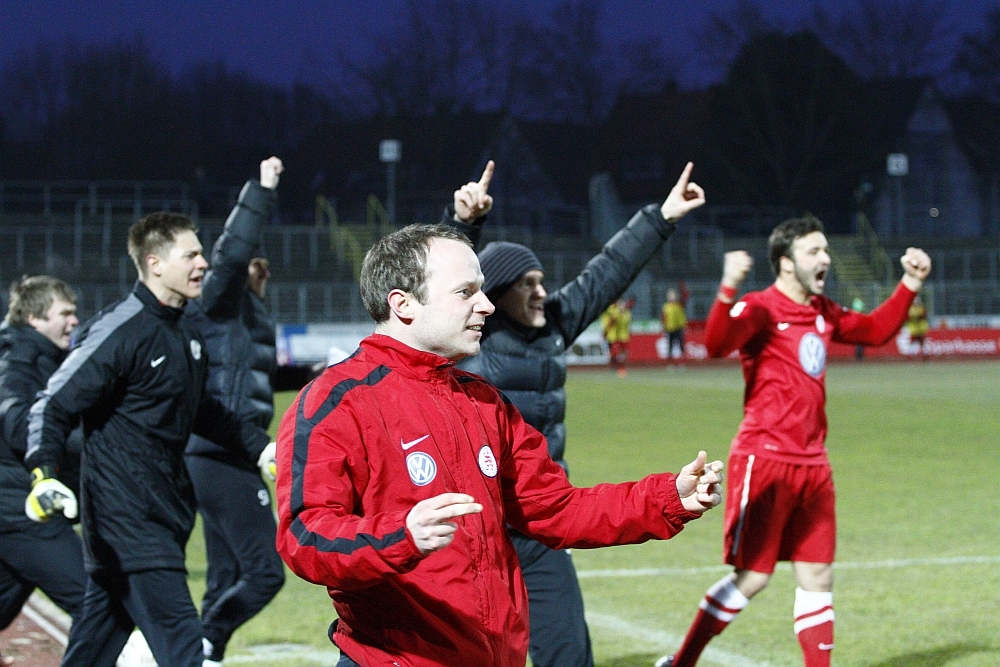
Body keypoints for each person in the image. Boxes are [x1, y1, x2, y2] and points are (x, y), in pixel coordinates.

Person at [274, 223, 725, 667]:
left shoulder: (484, 399)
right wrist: (401, 536)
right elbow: (305, 537)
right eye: (465, 292)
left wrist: (667, 498)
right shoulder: (337, 402)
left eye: (483, 290)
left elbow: (556, 508)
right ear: (403, 304)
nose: (487, 305)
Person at [447, 161, 707, 667]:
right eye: (527, 283)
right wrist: (464, 226)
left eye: (543, 280)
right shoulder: (467, 341)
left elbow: (606, 273)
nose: (542, 291)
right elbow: (439, 280)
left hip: (541, 519)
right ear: (496, 296)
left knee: (568, 653)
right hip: (474, 526)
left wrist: (664, 215)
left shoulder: (553, 327)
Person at [656, 217, 931, 667]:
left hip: (814, 465)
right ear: (786, 263)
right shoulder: (760, 308)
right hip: (763, 461)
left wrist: (909, 283)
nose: (825, 259)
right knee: (753, 577)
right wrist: (727, 288)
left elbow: (875, 331)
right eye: (813, 251)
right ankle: (682, 662)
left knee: (818, 575)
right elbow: (715, 344)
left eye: (825, 250)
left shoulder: (823, 312)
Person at [24, 212, 275, 667]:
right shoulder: (121, 329)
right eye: (192, 254)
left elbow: (203, 411)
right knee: (183, 648)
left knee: (92, 651)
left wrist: (261, 447)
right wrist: (43, 472)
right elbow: (53, 404)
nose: (203, 264)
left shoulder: (185, 330)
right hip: (129, 520)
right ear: (155, 262)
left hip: (161, 515)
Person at [184, 157, 285, 665]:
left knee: (225, 575)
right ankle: (198, 641)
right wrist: (262, 192)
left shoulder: (249, 314)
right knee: (267, 571)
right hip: (220, 451)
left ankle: (205, 655)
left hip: (224, 454)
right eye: (256, 266)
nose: (263, 274)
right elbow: (229, 255)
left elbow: (263, 374)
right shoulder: (220, 301)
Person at [0, 277, 85, 667]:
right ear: (34, 317)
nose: (74, 321)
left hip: (17, 505)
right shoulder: (17, 359)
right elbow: (19, 424)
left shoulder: (42, 357)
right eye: (65, 313)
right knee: (97, 601)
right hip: (21, 511)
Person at [602, 298, 632, 376]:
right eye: (620, 305)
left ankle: (622, 367)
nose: (622, 307)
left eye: (623, 305)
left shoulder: (627, 314)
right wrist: (605, 333)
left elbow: (627, 325)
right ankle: (615, 367)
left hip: (624, 336)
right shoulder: (615, 313)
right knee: (615, 352)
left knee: (624, 353)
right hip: (615, 335)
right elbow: (611, 323)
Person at [662, 288, 688, 360]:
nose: (673, 298)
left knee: (681, 343)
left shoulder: (679, 305)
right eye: (671, 296)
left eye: (674, 296)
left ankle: (683, 359)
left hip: (679, 327)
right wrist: (664, 326)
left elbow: (685, 295)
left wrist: (682, 287)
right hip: (670, 328)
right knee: (670, 345)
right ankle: (670, 360)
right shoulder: (666, 306)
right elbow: (664, 317)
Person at [906, 294, 929, 358]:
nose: (916, 301)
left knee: (922, 342)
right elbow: (908, 318)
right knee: (913, 342)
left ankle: (926, 356)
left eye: (917, 300)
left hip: (921, 328)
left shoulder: (921, 308)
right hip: (914, 329)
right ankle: (910, 356)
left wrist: (917, 316)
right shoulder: (910, 309)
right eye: (915, 300)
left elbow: (924, 316)